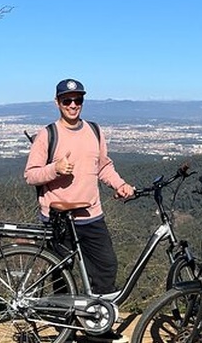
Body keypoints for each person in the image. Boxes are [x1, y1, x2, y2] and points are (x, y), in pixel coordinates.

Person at [24, 78, 134, 343]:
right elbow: (30, 175)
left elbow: (104, 166)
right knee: (61, 275)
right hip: (58, 217)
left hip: (91, 214)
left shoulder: (94, 131)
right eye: (67, 100)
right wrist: (55, 169)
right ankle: (63, 330)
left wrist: (120, 185)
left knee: (105, 269)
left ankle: (99, 327)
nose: (73, 105)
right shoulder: (48, 134)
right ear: (57, 103)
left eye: (78, 100)